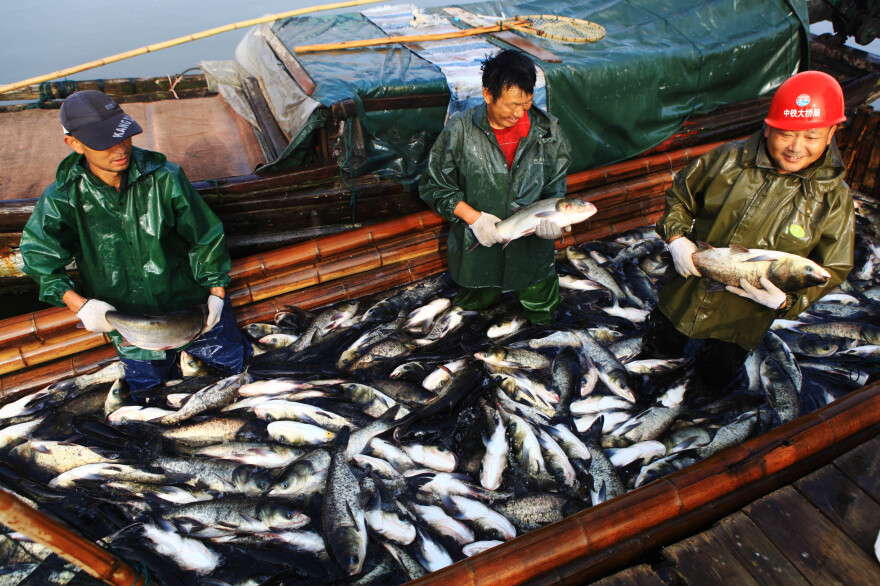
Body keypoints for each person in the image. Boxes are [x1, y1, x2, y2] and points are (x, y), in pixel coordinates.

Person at [20, 90, 252, 401]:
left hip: (192, 310)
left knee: (235, 381)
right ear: (74, 144)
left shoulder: (166, 178)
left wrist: (216, 294)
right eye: (105, 142)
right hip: (129, 324)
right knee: (149, 398)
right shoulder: (62, 197)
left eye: (124, 136)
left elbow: (205, 236)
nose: (120, 149)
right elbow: (38, 256)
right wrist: (82, 305)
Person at [644, 70, 855, 389]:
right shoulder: (727, 159)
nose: (796, 147)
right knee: (655, 358)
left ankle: (699, 405)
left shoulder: (834, 201)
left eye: (811, 136)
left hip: (744, 319)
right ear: (768, 127)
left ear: (831, 133)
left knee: (714, 381)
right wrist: (676, 238)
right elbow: (679, 197)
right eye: (786, 133)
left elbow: (834, 268)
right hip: (684, 294)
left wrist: (787, 303)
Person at [419, 49, 572, 324]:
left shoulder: (548, 132)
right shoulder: (460, 131)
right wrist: (474, 218)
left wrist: (556, 224)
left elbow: (555, 190)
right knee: (470, 315)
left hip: (532, 253)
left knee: (544, 316)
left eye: (525, 104)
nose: (518, 113)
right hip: (478, 248)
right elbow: (434, 185)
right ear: (488, 94)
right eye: (511, 104)